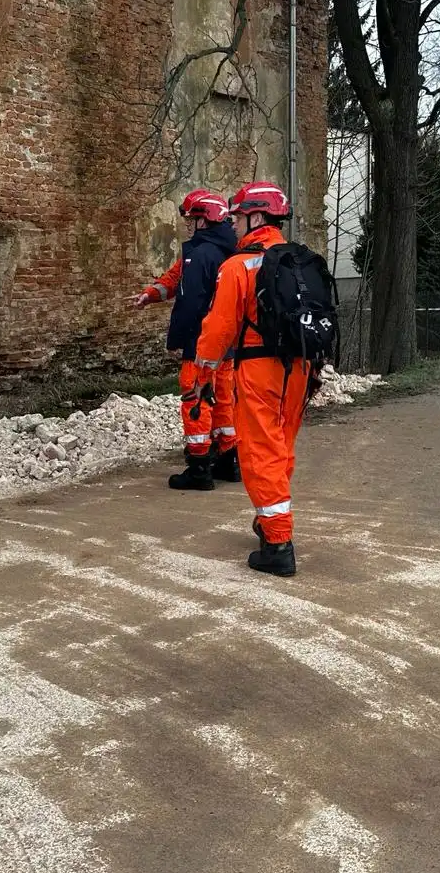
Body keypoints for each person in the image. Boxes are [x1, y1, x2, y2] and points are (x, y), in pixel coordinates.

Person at [194, 181, 313, 577]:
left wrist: (202, 372)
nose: (233, 224)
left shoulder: (238, 266)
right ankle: (269, 520)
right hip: (300, 367)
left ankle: (278, 543)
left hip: (260, 368)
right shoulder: (298, 259)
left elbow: (218, 329)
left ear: (257, 216)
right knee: (280, 445)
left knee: (261, 450)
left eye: (239, 217)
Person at [130, 189, 241, 490]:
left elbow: (190, 300)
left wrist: (180, 338)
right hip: (227, 343)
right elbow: (174, 277)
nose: (187, 225)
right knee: (224, 399)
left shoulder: (199, 254)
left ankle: (199, 468)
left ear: (204, 221)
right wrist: (150, 294)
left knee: (196, 400)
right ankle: (228, 460)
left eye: (191, 220)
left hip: (201, 341)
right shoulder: (229, 251)